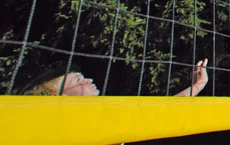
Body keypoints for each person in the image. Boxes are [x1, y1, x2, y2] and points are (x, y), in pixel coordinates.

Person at [23, 59, 209, 97]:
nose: (88, 80)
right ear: (59, 96)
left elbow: (167, 111)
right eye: (79, 80)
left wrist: (199, 84)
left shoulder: (107, 114)